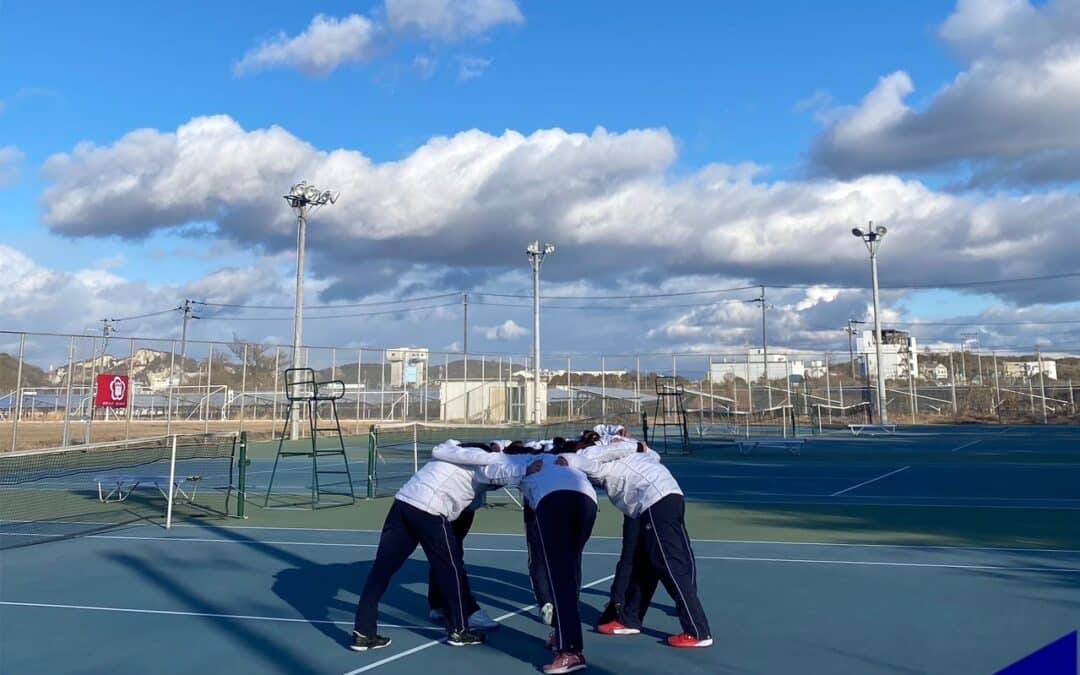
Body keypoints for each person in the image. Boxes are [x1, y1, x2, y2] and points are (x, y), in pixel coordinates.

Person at [350, 440, 500, 652]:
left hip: (403, 503)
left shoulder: (448, 454)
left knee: (381, 571)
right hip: (430, 510)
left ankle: (363, 632)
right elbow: (504, 473)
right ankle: (459, 630)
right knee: (451, 568)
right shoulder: (481, 466)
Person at [562, 442, 713, 648]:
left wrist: (562, 460)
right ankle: (629, 619)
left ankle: (697, 631)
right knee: (644, 565)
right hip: (663, 500)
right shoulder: (625, 461)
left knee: (669, 565)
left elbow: (577, 459)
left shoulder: (591, 456)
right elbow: (651, 453)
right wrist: (636, 446)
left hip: (655, 500)